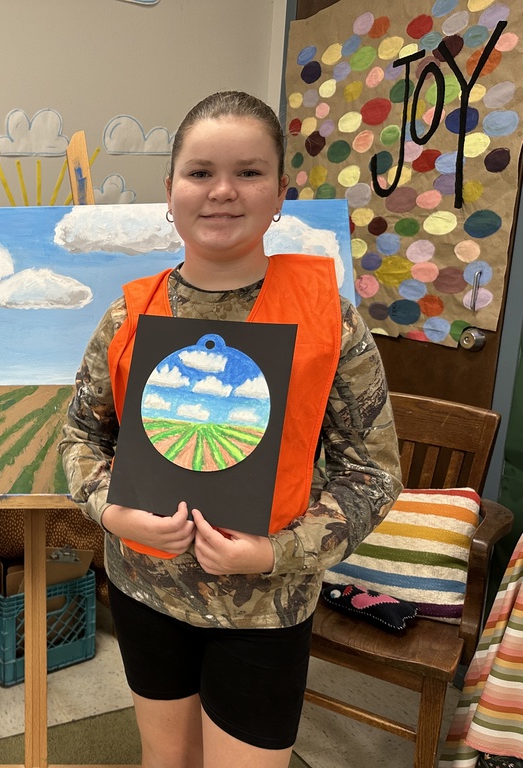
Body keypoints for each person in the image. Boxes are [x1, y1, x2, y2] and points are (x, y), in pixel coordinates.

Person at [58, 90, 403, 768]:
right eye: (200, 172)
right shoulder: (130, 318)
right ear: (170, 190)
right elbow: (79, 439)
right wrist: (114, 512)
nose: (222, 191)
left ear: (279, 193)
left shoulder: (329, 322)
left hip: (266, 608)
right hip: (145, 591)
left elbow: (373, 475)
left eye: (248, 173)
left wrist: (274, 553)